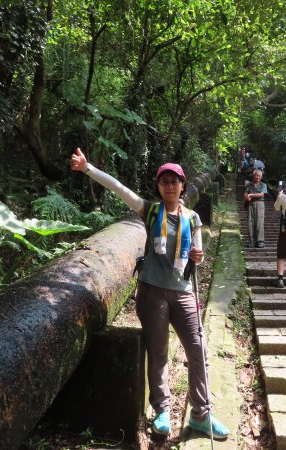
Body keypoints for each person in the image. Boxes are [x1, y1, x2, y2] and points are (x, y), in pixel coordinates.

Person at [70, 148, 230, 440]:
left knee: (199, 352)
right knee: (158, 353)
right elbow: (119, 188)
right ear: (159, 186)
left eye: (174, 181)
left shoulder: (192, 218)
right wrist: (88, 168)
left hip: (182, 292)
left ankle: (201, 415)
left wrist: (198, 256)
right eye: (164, 181)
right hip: (152, 292)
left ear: (182, 185)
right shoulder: (150, 210)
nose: (169, 186)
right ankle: (163, 412)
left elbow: (199, 256)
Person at [244, 169, 267, 248]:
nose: (258, 177)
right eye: (256, 175)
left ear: (261, 177)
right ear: (253, 176)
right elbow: (245, 194)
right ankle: (252, 242)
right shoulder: (249, 185)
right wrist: (247, 197)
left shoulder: (263, 185)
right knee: (250, 223)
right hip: (251, 205)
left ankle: (260, 242)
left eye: (259, 176)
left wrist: (250, 195)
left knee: (259, 223)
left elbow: (261, 195)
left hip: (260, 204)